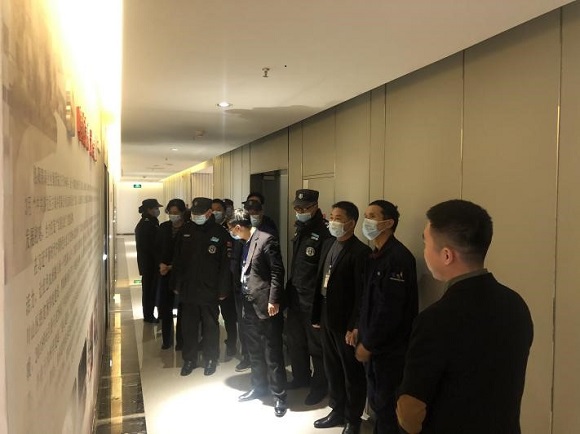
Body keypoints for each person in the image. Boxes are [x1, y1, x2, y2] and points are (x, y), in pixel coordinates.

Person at [396, 199, 533, 434]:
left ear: (446, 255)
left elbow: (410, 411)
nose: (425, 251)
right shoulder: (515, 304)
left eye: (426, 243)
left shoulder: (435, 318)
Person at [356, 200, 418, 434]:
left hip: (389, 350)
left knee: (387, 406)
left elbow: (390, 310)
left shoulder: (397, 258)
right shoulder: (376, 255)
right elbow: (369, 301)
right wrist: (359, 329)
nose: (367, 221)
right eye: (366, 215)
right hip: (375, 346)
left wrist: (369, 344)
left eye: (372, 216)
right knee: (378, 402)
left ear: (388, 223)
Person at [311, 201, 371, 434]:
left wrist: (354, 326)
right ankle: (336, 409)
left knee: (351, 373)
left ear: (351, 223)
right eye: (332, 217)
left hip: (346, 322)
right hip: (327, 315)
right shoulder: (329, 244)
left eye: (338, 219)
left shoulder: (361, 252)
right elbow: (321, 281)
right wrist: (317, 315)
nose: (333, 222)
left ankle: (353, 419)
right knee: (332, 367)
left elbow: (362, 294)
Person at [229, 208, 288, 417]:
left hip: (266, 305)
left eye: (232, 230)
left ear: (238, 227)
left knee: (272, 352)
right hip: (248, 304)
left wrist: (274, 300)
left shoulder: (266, 240)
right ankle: (258, 386)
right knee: (254, 351)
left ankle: (279, 395)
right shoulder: (245, 242)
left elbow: (277, 272)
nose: (232, 234)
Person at [171, 197, 232, 377]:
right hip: (188, 288)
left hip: (210, 288)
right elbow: (177, 259)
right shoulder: (186, 231)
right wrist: (176, 283)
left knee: (210, 326)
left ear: (209, 213)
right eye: (194, 213)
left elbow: (225, 265)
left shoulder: (220, 233)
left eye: (200, 213)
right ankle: (189, 359)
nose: (196, 216)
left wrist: (223, 289)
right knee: (188, 325)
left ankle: (211, 358)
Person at [285, 189, 332, 405]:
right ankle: (300, 377)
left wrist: (320, 305)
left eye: (304, 208)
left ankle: (319, 386)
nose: (300, 211)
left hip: (312, 300)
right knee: (295, 341)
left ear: (315, 206)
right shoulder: (301, 228)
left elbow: (324, 273)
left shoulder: (324, 233)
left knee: (316, 347)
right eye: (297, 207)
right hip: (296, 296)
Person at [157, 198, 186, 350]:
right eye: (171, 212)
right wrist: (161, 264)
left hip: (182, 274)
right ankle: (166, 340)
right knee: (165, 307)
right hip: (165, 273)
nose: (173, 215)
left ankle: (181, 341)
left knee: (182, 308)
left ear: (182, 213)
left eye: (176, 212)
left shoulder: (188, 229)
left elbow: (190, 254)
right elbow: (156, 249)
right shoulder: (163, 227)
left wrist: (173, 266)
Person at [212, 198, 238, 357]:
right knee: (210, 315)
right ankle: (210, 342)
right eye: (213, 209)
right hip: (210, 280)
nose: (215, 213)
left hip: (227, 279)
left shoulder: (230, 229)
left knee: (229, 315)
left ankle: (232, 342)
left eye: (218, 210)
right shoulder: (207, 229)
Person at [135, 198, 163, 323]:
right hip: (149, 264)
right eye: (156, 208)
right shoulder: (147, 224)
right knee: (149, 291)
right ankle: (148, 315)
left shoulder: (151, 222)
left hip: (150, 263)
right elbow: (151, 246)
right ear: (149, 209)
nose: (158, 211)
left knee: (152, 289)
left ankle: (154, 313)